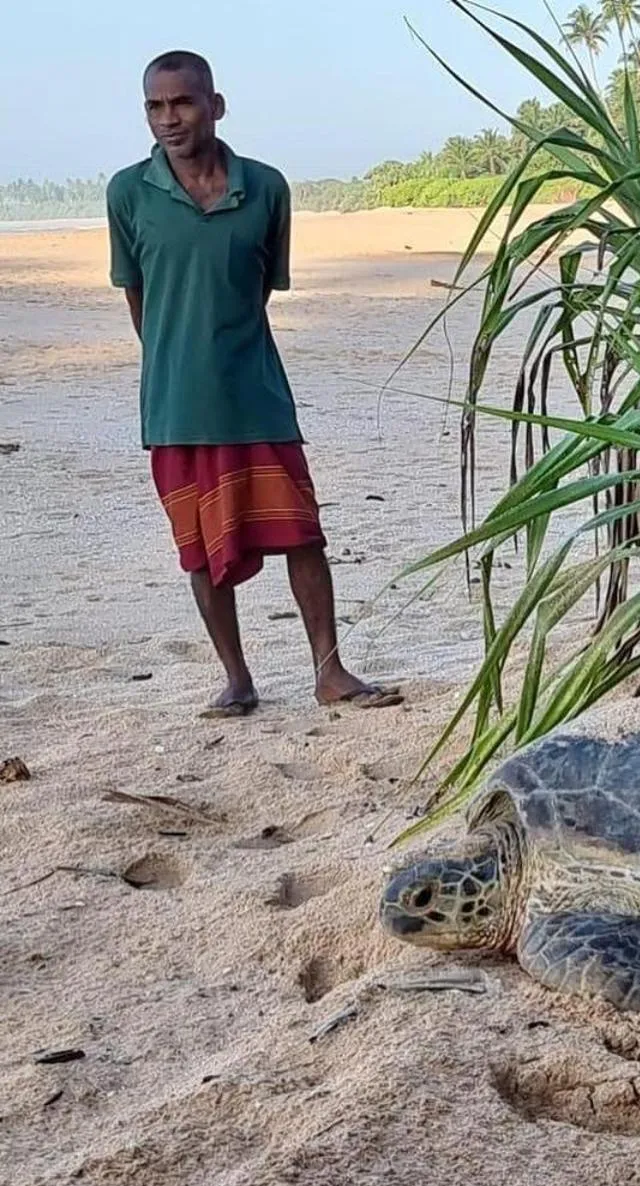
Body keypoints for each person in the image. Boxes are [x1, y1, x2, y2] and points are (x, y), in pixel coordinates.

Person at [106, 50, 399, 718]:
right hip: (176, 404)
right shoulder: (128, 192)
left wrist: (223, 347)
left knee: (302, 534)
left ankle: (330, 672)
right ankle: (237, 679)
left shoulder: (266, 188)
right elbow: (140, 300)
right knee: (200, 552)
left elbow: (262, 286)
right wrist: (179, 362)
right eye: (154, 106)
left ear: (216, 104)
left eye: (182, 102)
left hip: (258, 391)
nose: (168, 118)